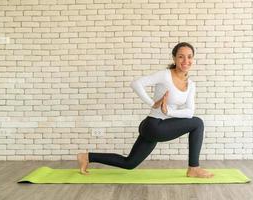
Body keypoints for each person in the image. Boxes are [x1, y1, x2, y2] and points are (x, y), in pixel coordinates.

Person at [77, 42, 214, 178]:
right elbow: (136, 83)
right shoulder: (165, 75)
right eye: (181, 56)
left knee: (129, 163)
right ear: (174, 58)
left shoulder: (191, 85)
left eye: (189, 57)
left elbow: (189, 112)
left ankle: (86, 157)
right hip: (154, 125)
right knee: (198, 123)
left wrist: (169, 112)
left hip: (156, 127)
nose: (186, 61)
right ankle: (193, 168)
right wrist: (153, 103)